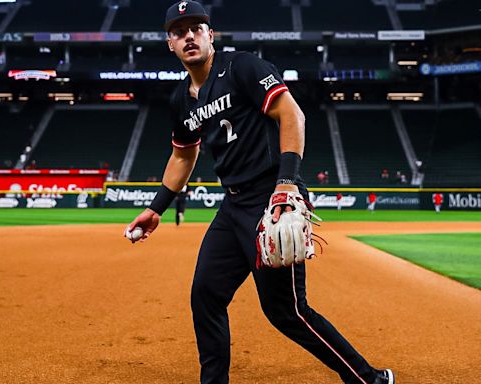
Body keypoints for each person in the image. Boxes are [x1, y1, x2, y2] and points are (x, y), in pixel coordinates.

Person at [125, 2, 394, 383]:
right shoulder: (180, 100)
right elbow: (183, 156)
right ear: (169, 43)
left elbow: (291, 115)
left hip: (272, 197)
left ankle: (369, 379)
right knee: (206, 295)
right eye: (179, 31)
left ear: (210, 35)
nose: (188, 36)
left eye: (196, 28)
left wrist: (286, 184)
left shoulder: (242, 67)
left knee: (287, 312)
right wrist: (156, 208)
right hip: (233, 206)